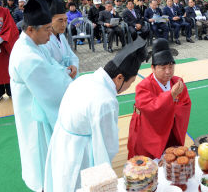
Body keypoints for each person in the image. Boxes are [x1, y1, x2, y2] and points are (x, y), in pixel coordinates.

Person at [44, 37, 147, 192]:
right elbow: (105, 146)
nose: (129, 87)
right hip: (80, 154)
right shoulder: (105, 101)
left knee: (61, 182)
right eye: (130, 82)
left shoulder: (84, 78)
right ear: (119, 78)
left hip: (61, 142)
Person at [9, 0, 73, 191]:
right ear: (30, 30)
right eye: (46, 29)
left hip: (40, 110)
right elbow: (54, 89)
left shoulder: (35, 44)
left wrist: (64, 71)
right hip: (36, 117)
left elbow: (55, 69)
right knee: (41, 160)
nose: (50, 33)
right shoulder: (27, 57)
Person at [128, 38, 191, 159]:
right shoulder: (143, 86)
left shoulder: (177, 82)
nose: (168, 72)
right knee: (146, 163)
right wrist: (170, 97)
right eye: (163, 68)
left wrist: (171, 110)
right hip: (148, 130)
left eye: (171, 67)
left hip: (171, 130)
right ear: (153, 68)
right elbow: (149, 107)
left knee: (172, 156)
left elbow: (185, 104)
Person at [44, 0, 79, 79]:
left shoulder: (61, 36)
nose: (64, 24)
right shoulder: (44, 41)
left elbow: (72, 55)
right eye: (60, 20)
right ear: (50, 20)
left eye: (66, 20)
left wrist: (74, 66)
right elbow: (49, 66)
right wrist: (66, 71)